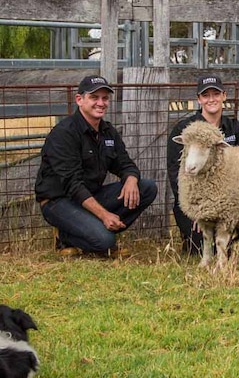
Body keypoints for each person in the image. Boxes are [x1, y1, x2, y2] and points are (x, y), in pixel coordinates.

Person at [35, 75, 157, 257]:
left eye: (105, 98)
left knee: (146, 187)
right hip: (59, 201)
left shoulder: (108, 131)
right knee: (106, 241)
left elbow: (125, 163)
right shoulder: (64, 133)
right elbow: (72, 185)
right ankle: (67, 235)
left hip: (91, 196)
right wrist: (104, 215)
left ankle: (89, 232)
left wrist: (131, 179)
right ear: (79, 100)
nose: (101, 103)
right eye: (94, 97)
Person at [167, 75, 239, 256]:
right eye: (206, 95)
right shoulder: (186, 130)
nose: (211, 99)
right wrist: (195, 210)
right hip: (195, 202)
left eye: (216, 94)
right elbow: (175, 172)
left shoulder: (233, 127)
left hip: (226, 201)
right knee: (200, 243)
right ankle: (195, 239)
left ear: (224, 96)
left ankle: (229, 235)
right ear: (199, 99)